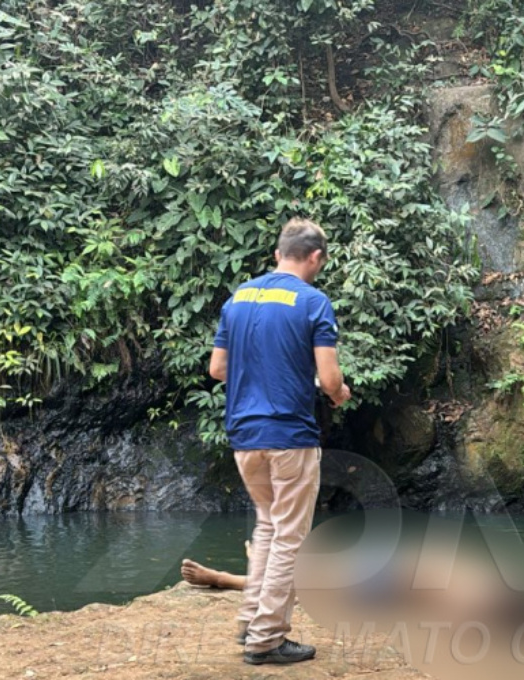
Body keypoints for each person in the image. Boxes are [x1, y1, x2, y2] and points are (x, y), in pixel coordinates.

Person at [209, 217, 351, 666]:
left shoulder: (238, 299)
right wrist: (338, 393)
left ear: (277, 254)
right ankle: (266, 639)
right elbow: (329, 377)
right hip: (290, 436)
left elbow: (217, 369)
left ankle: (250, 622)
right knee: (291, 537)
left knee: (269, 526)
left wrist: (259, 376)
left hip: (244, 436)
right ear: (316, 258)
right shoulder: (313, 302)